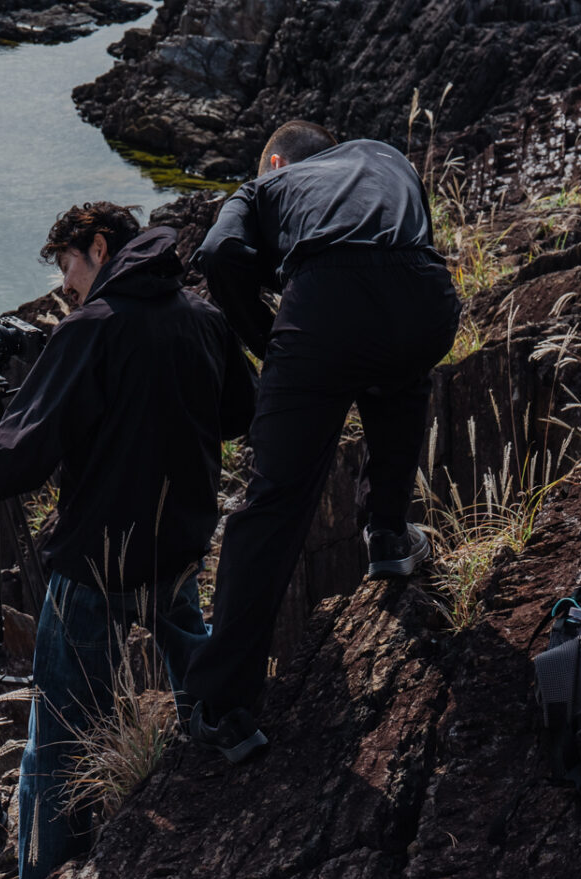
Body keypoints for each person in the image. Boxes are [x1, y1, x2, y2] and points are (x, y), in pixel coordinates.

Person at [0, 203, 251, 879]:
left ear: (101, 247)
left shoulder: (93, 329)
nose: (66, 287)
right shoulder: (201, 317)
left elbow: (22, 458)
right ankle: (228, 754)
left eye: (69, 267)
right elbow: (239, 410)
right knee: (194, 667)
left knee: (59, 739)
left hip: (95, 566)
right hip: (177, 548)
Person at [182, 121, 463, 765]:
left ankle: (222, 709)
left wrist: (268, 340)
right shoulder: (388, 152)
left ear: (275, 162)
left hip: (323, 310)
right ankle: (389, 536)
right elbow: (408, 238)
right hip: (426, 294)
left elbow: (220, 255)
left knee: (274, 503)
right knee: (399, 379)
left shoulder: (262, 186)